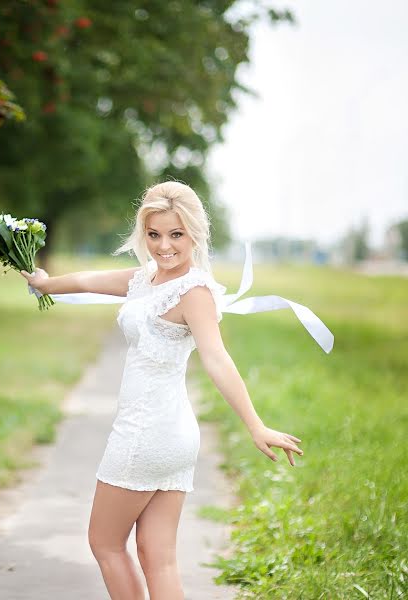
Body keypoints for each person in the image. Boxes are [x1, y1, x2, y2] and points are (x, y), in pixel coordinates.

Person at [19, 181, 304, 600]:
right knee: (157, 555)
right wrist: (47, 283)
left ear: (195, 235)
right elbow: (90, 280)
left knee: (105, 543)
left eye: (176, 234)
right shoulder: (147, 278)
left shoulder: (195, 292)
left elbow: (217, 358)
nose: (164, 246)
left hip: (144, 433)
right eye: (154, 234)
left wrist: (255, 425)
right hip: (172, 435)